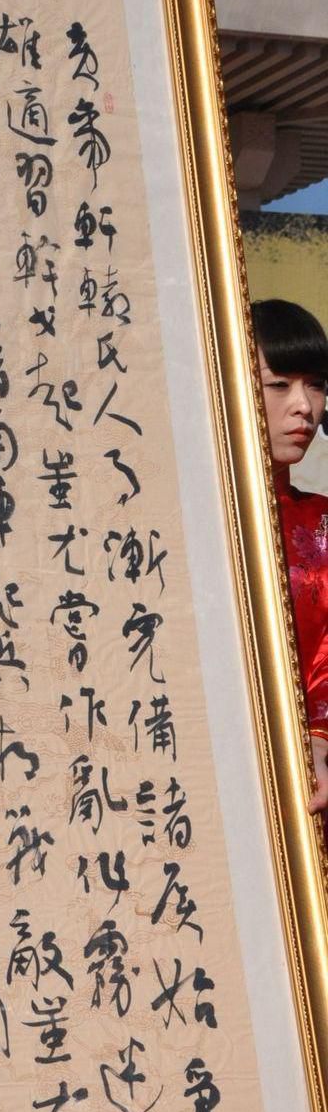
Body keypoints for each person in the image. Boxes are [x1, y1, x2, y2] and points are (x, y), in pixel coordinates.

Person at [252, 297, 328, 816]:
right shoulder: (163, 524)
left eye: (316, 384)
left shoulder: (322, 524)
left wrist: (318, 740)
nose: (304, 406)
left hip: (304, 784)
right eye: (279, 384)